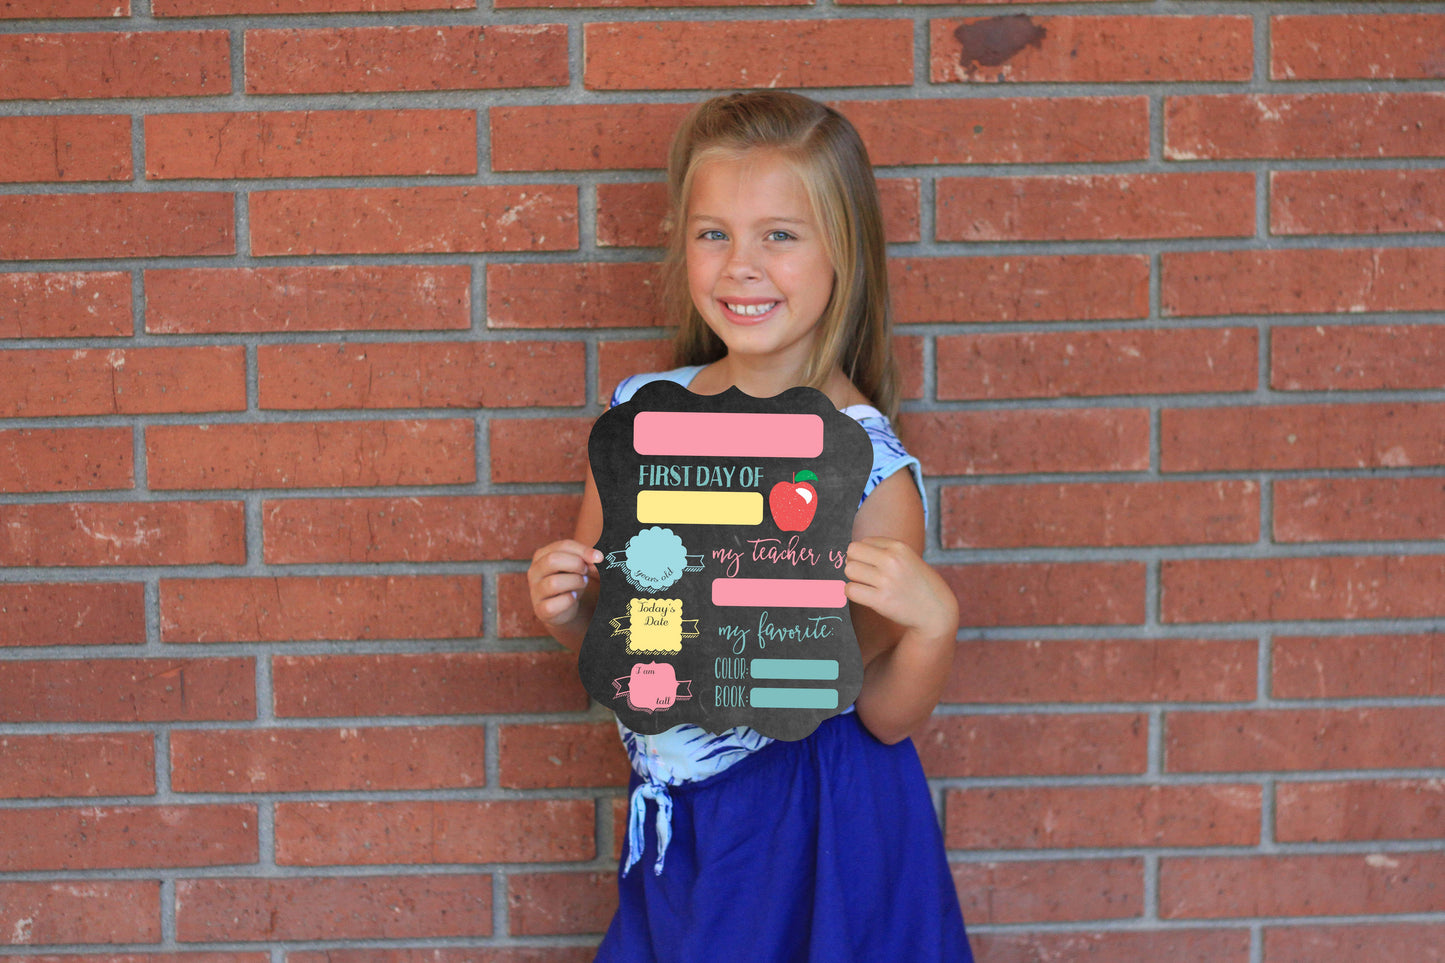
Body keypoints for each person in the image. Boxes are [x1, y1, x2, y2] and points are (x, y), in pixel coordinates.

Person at [527, 90, 973, 962]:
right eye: (712, 233)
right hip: (677, 813)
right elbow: (627, 633)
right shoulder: (639, 420)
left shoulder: (870, 470)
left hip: (809, 817)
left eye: (779, 233)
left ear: (842, 250)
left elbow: (880, 715)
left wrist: (934, 624)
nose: (740, 265)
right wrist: (568, 611)